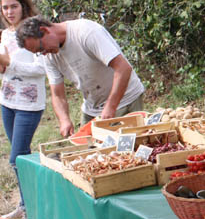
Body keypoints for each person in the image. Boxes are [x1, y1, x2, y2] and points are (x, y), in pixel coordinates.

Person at [16, 16, 144, 137]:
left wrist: (110, 107)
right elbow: (57, 94)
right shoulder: (49, 56)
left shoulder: (86, 32)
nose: (43, 54)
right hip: (92, 107)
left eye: (41, 48)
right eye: (38, 53)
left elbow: (123, 68)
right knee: (88, 154)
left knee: (126, 153)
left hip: (125, 100)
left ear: (44, 30)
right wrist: (64, 119)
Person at [0, 0, 45, 219]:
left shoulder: (35, 30)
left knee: (17, 158)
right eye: (5, 7)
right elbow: (6, 72)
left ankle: (33, 214)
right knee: (18, 159)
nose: (9, 11)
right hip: (7, 102)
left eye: (13, 6)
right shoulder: (5, 34)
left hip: (29, 105)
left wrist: (10, 63)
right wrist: (0, 67)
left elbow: (41, 70)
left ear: (23, 5)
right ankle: (23, 204)